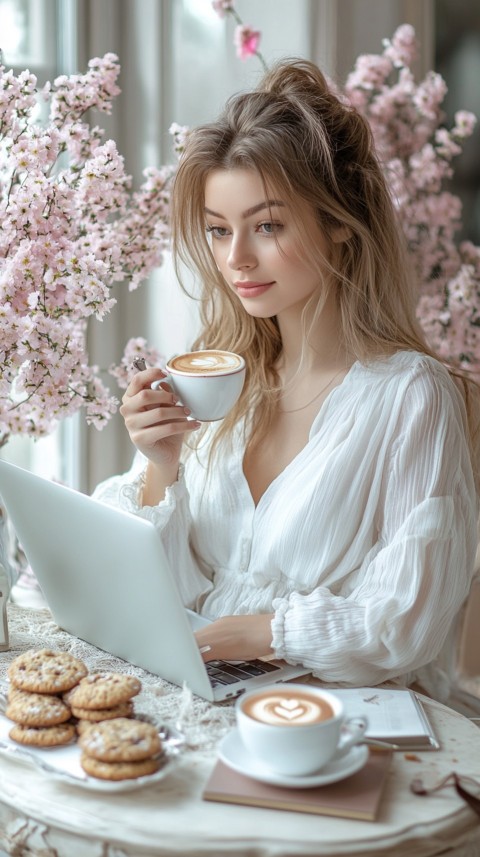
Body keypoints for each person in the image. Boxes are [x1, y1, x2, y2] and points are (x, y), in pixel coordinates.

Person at [94, 58, 480, 701]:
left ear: (339, 222)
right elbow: (167, 588)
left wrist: (264, 633)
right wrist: (162, 468)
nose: (236, 258)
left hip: (342, 725)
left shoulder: (412, 396)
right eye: (219, 231)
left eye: (267, 225)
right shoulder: (224, 383)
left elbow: (409, 621)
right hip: (211, 695)